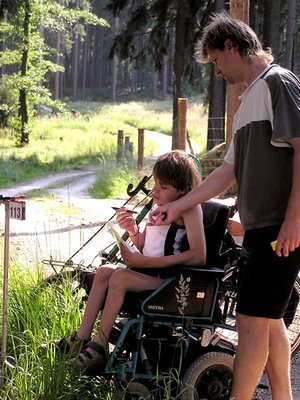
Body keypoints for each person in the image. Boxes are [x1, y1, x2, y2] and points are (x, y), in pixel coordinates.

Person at [151, 12, 300, 400]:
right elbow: (228, 172)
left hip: (278, 226)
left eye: (216, 60)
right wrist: (179, 204)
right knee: (268, 323)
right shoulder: (249, 98)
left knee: (250, 321)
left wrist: (293, 220)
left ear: (232, 47)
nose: (216, 71)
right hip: (261, 226)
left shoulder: (277, 83)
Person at [54, 150, 206, 371]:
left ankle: (99, 347)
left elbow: (199, 256)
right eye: (156, 185)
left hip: (171, 280)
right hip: (150, 274)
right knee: (105, 270)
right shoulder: (159, 206)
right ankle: (81, 337)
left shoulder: (190, 209)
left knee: (121, 278)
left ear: (182, 190)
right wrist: (133, 231)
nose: (155, 191)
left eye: (163, 188)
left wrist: (143, 262)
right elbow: (148, 246)